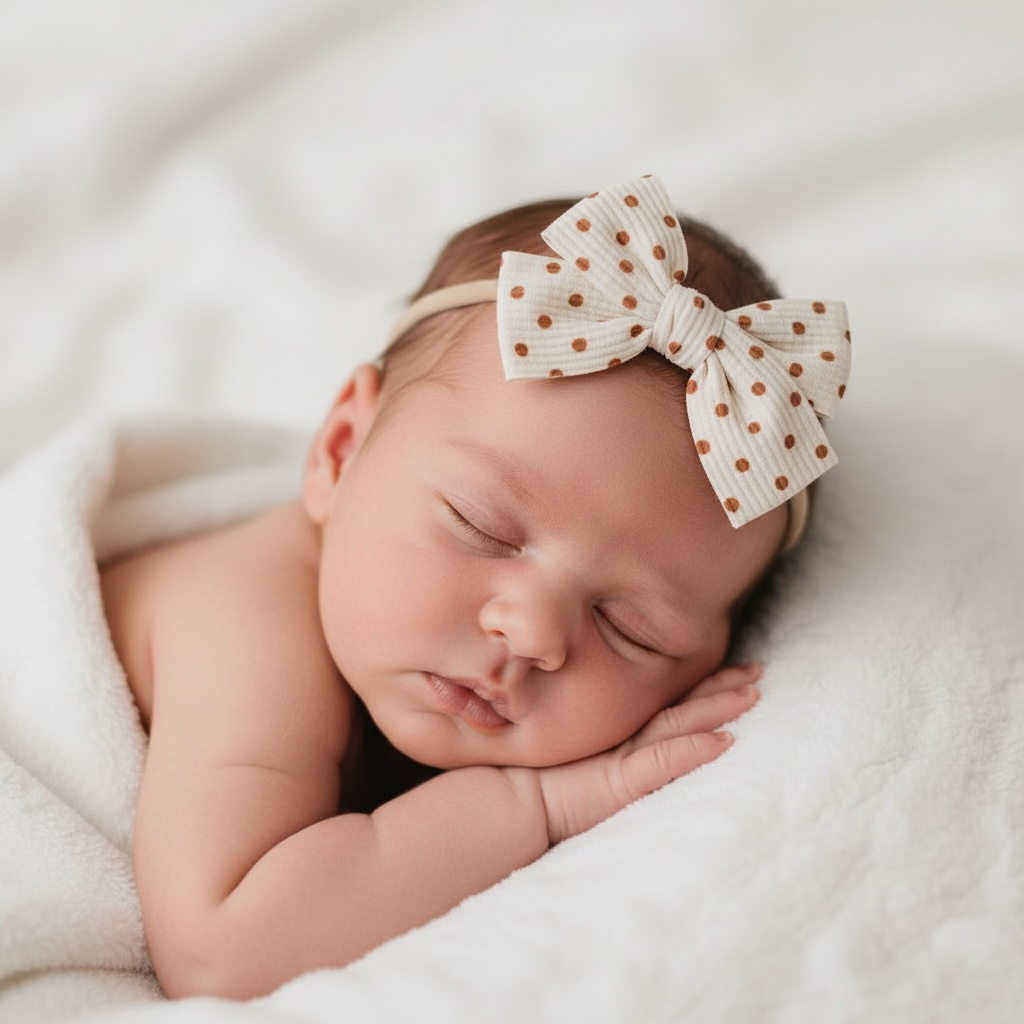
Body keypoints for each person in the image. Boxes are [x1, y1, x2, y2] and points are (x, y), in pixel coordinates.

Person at [100, 175, 850, 1000]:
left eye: (632, 629)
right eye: (481, 526)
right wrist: (539, 805)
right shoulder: (244, 619)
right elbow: (223, 948)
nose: (531, 631)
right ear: (341, 452)